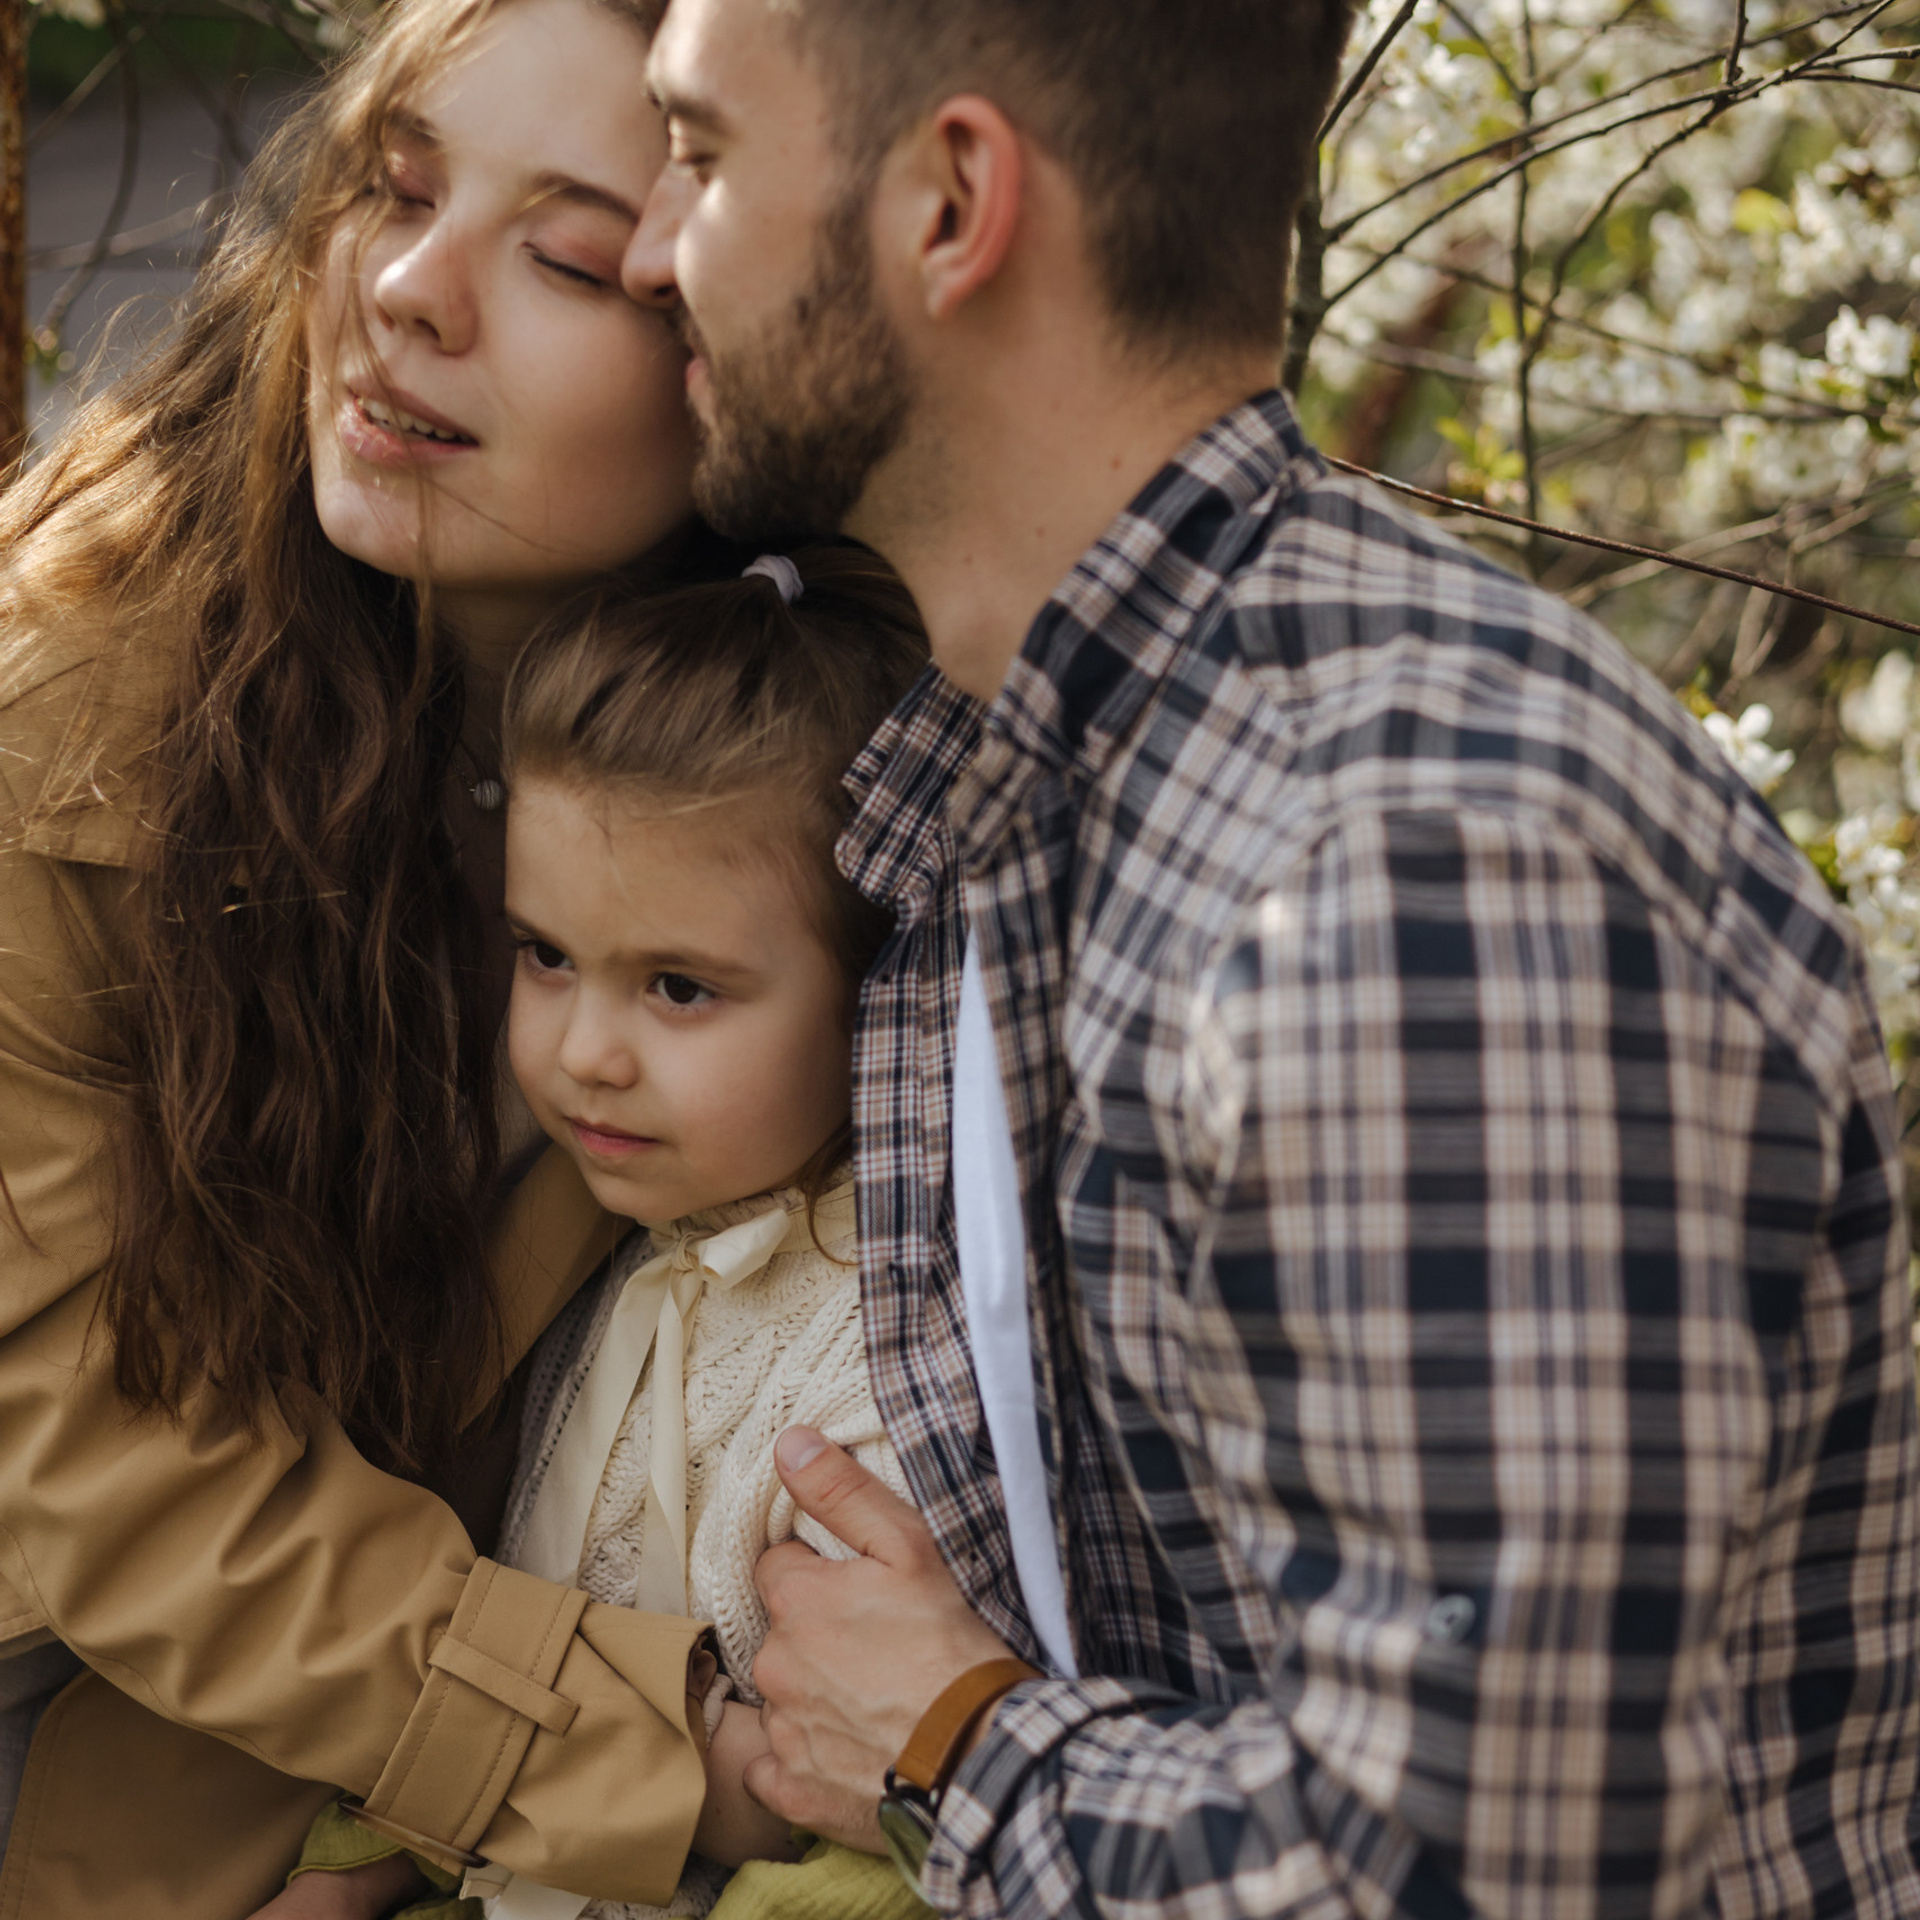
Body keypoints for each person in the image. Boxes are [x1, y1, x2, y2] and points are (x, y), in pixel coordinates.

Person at [623, 1, 1920, 1916]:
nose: (654, 252)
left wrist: (958, 1745)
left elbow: (1490, 1874)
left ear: (955, 202)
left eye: (706, 158)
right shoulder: (1053, 772)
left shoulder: (1403, 882)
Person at [0, 0, 781, 1910]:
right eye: (396, 187)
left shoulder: (820, 741)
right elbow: (90, 1455)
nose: (409, 293)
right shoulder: (67, 711)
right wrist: (667, 1758)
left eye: (570, 257)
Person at [260, 549, 940, 1920]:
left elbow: (874, 1852)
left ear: (878, 986)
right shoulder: (605, 1245)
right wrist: (350, 1877)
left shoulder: (882, 1377)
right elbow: (510, 1650)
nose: (581, 1054)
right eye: (546, 954)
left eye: (678, 987)